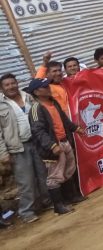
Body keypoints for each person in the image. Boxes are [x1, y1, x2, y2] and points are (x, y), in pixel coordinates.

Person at [27, 78, 84, 215]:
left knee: (69, 169)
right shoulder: (36, 109)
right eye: (45, 87)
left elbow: (64, 120)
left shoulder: (54, 102)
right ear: (36, 92)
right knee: (55, 175)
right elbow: (38, 131)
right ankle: (58, 205)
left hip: (64, 141)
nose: (48, 88)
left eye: (48, 85)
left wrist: (75, 128)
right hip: (54, 145)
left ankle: (71, 197)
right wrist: (52, 145)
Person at [0, 73, 49, 223]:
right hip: (18, 148)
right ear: (2, 88)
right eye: (7, 85)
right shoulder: (1, 105)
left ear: (17, 83)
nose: (11, 86)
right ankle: (26, 212)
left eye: (13, 83)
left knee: (43, 175)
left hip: (37, 143)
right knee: (26, 181)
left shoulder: (28, 96)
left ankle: (47, 202)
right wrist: (3, 152)